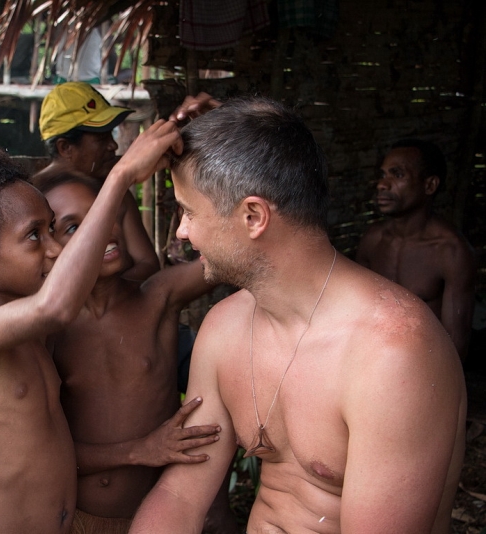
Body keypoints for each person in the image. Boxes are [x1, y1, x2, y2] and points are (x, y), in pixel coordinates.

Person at [129, 97, 467, 534]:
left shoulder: (393, 354)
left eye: (189, 212)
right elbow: (181, 495)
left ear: (253, 216)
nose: (181, 230)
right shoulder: (225, 327)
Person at [0, 119, 178, 533]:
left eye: (53, 230)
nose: (56, 249)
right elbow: (55, 307)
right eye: (34, 236)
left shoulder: (31, 335)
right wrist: (120, 177)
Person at [32, 171, 235, 533]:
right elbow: (40, 454)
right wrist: (139, 450)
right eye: (74, 228)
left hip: (166, 519)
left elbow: (238, 247)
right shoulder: (45, 334)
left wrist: (207, 156)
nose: (104, 231)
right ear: (49, 248)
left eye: (101, 214)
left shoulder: (158, 298)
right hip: (81, 521)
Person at [356, 139, 475, 361]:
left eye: (397, 175)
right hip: (371, 364)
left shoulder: (450, 251)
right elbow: (355, 315)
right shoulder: (373, 241)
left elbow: (456, 348)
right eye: (383, 175)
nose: (383, 184)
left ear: (429, 185)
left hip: (425, 369)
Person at [36, 81, 159, 281]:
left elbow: (148, 265)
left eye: (111, 135)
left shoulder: (117, 194)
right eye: (101, 139)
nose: (113, 145)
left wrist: (106, 295)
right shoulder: (33, 199)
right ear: (65, 147)